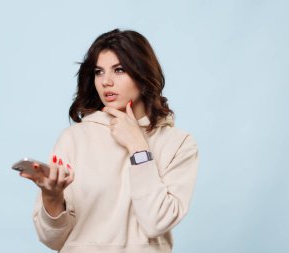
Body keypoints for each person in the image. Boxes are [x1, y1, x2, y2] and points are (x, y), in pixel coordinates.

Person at [19, 28, 199, 253]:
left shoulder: (179, 143)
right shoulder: (74, 138)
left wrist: (138, 146)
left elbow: (156, 223)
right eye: (99, 72)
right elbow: (51, 240)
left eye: (119, 70)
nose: (106, 81)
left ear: (143, 76)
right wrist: (52, 197)